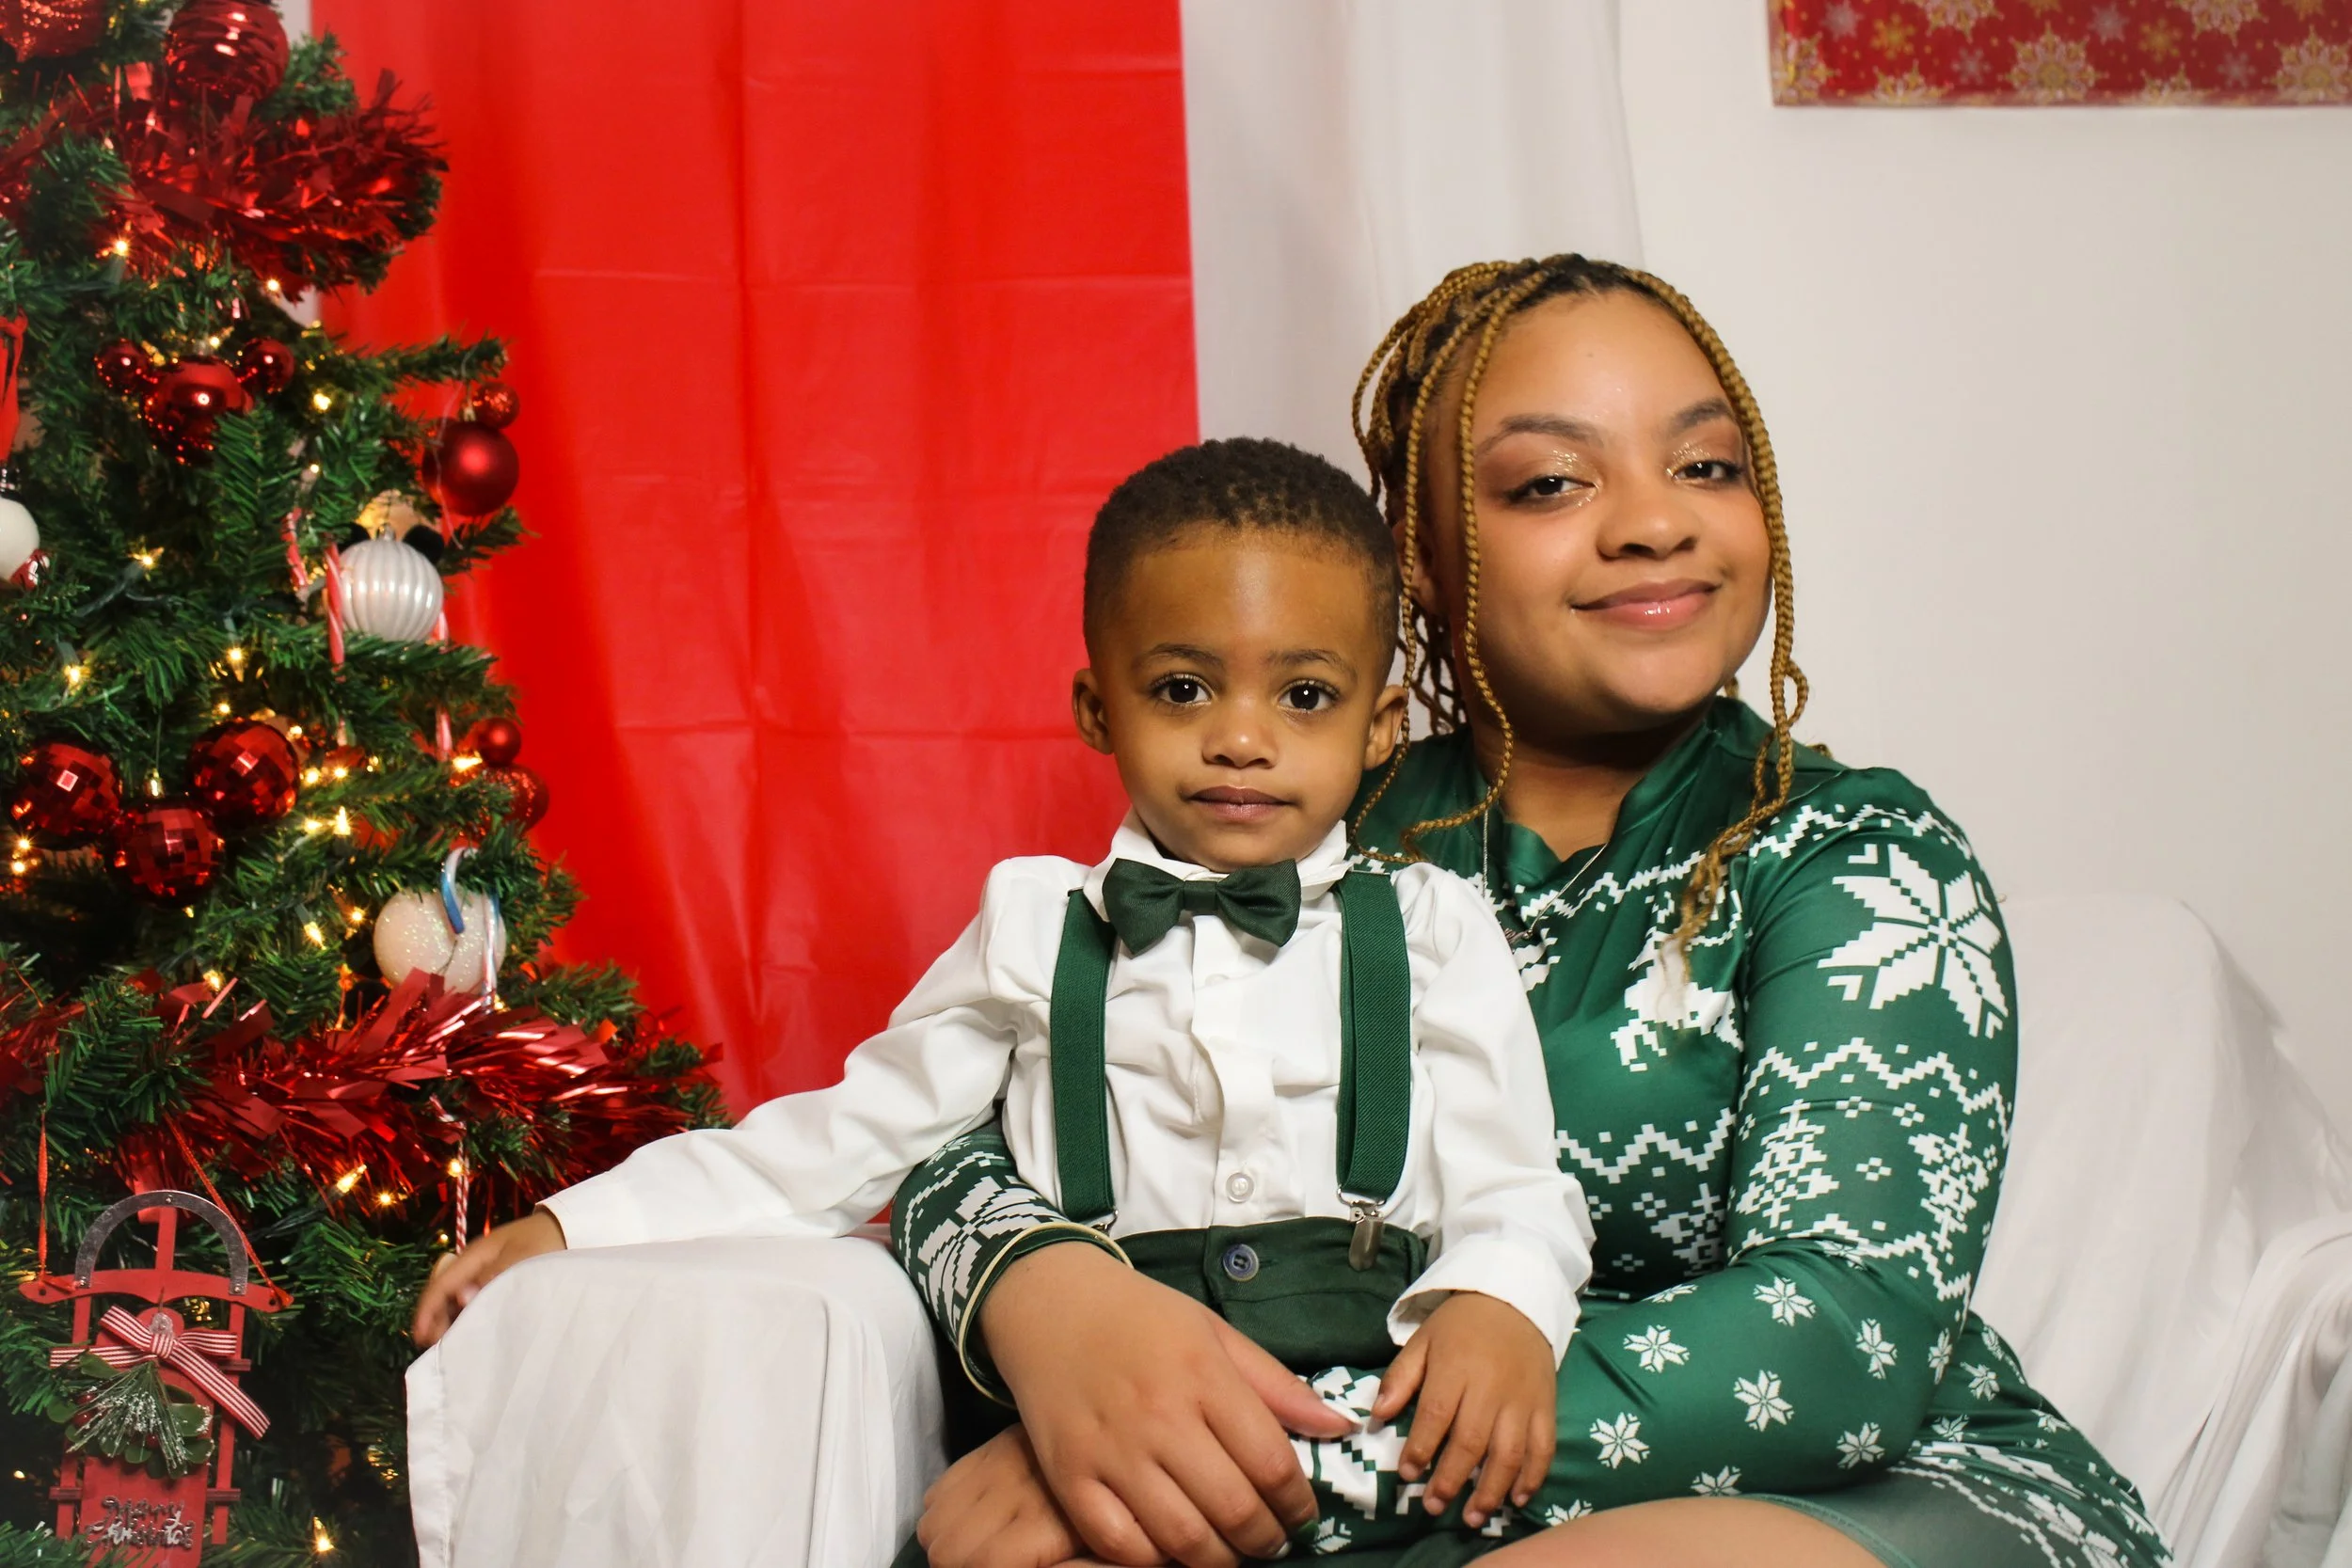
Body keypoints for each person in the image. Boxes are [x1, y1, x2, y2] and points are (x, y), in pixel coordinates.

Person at [888, 257, 2171, 1568]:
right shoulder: (1293, 819)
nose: (1653, 524)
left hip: (1852, 1485)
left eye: (1708, 467)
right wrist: (1045, 1295)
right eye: (1553, 481)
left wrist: (1240, 1454)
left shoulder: (1857, 856)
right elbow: (953, 1113)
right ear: (1419, 564)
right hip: (1418, 1507)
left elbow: (1838, 1340)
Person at [409, 437, 1596, 1550]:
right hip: (1081, 1435)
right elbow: (838, 1143)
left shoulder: (1433, 927)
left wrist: (1501, 1300)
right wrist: (579, 1224)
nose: (1241, 738)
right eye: (1184, 689)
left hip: (1354, 1435)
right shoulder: (1037, 926)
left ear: (1382, 724)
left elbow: (1514, 1183)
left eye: (1302, 696)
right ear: (1098, 709)